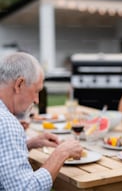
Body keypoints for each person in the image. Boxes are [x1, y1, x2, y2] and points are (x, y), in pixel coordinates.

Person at [0, 52, 83, 191]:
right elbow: (26, 189)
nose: (37, 100)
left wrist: (28, 144)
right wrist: (61, 153)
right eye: (36, 91)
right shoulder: (7, 123)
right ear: (19, 84)